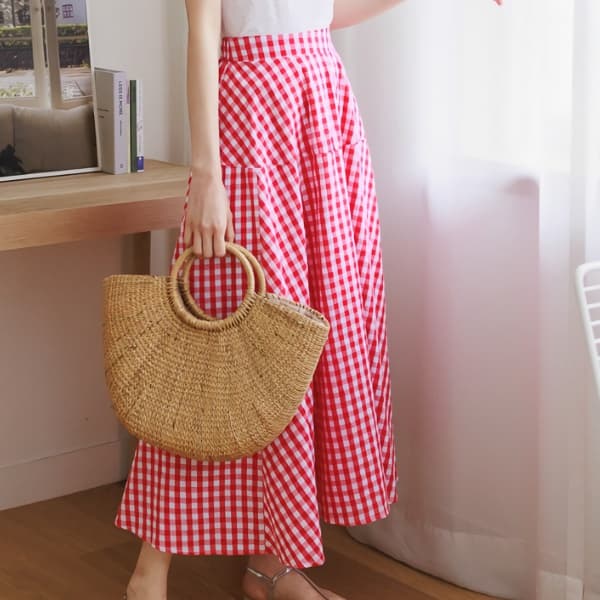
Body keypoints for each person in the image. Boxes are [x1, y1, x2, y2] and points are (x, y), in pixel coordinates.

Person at [116, 1, 503, 599]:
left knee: (303, 339)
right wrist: (207, 175)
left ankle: (272, 565)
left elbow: (319, 11)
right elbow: (204, 33)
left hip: (320, 111)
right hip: (252, 121)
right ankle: (150, 572)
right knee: (219, 348)